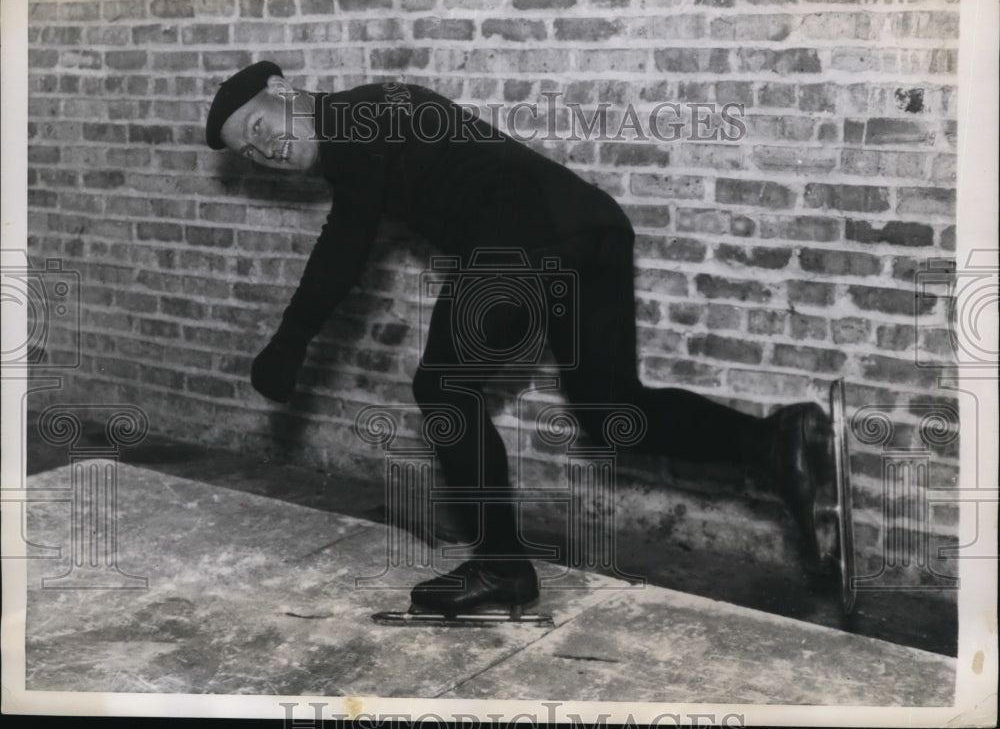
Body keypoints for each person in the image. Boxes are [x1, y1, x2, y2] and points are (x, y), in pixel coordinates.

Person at [205, 61, 836, 617]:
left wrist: (290, 342)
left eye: (260, 129)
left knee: (445, 390)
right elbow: (356, 225)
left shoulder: (356, 117)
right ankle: (775, 442)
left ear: (285, 90)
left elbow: (345, 245)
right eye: (251, 155)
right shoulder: (368, 120)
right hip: (591, 226)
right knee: (611, 412)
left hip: (523, 235)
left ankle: (502, 569)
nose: (267, 151)